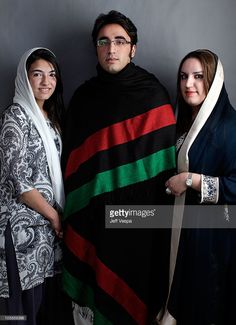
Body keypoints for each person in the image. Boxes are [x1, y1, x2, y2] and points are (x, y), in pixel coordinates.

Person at [62, 10, 176, 325]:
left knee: (132, 297)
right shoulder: (84, 98)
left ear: (132, 48)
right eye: (104, 41)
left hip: (138, 225)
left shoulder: (152, 95)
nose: (111, 49)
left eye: (120, 41)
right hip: (91, 219)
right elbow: (71, 166)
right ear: (96, 48)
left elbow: (162, 169)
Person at [160, 49, 236, 325]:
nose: (188, 84)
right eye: (183, 77)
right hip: (179, 228)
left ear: (214, 81)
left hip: (212, 236)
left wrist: (190, 180)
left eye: (198, 76)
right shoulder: (184, 121)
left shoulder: (230, 126)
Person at [0, 47, 72, 324]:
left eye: (51, 74)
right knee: (18, 312)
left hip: (44, 233)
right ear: (24, 79)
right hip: (20, 231)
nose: (46, 82)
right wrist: (54, 214)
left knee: (44, 309)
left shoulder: (50, 121)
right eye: (37, 74)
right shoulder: (14, 118)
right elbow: (17, 180)